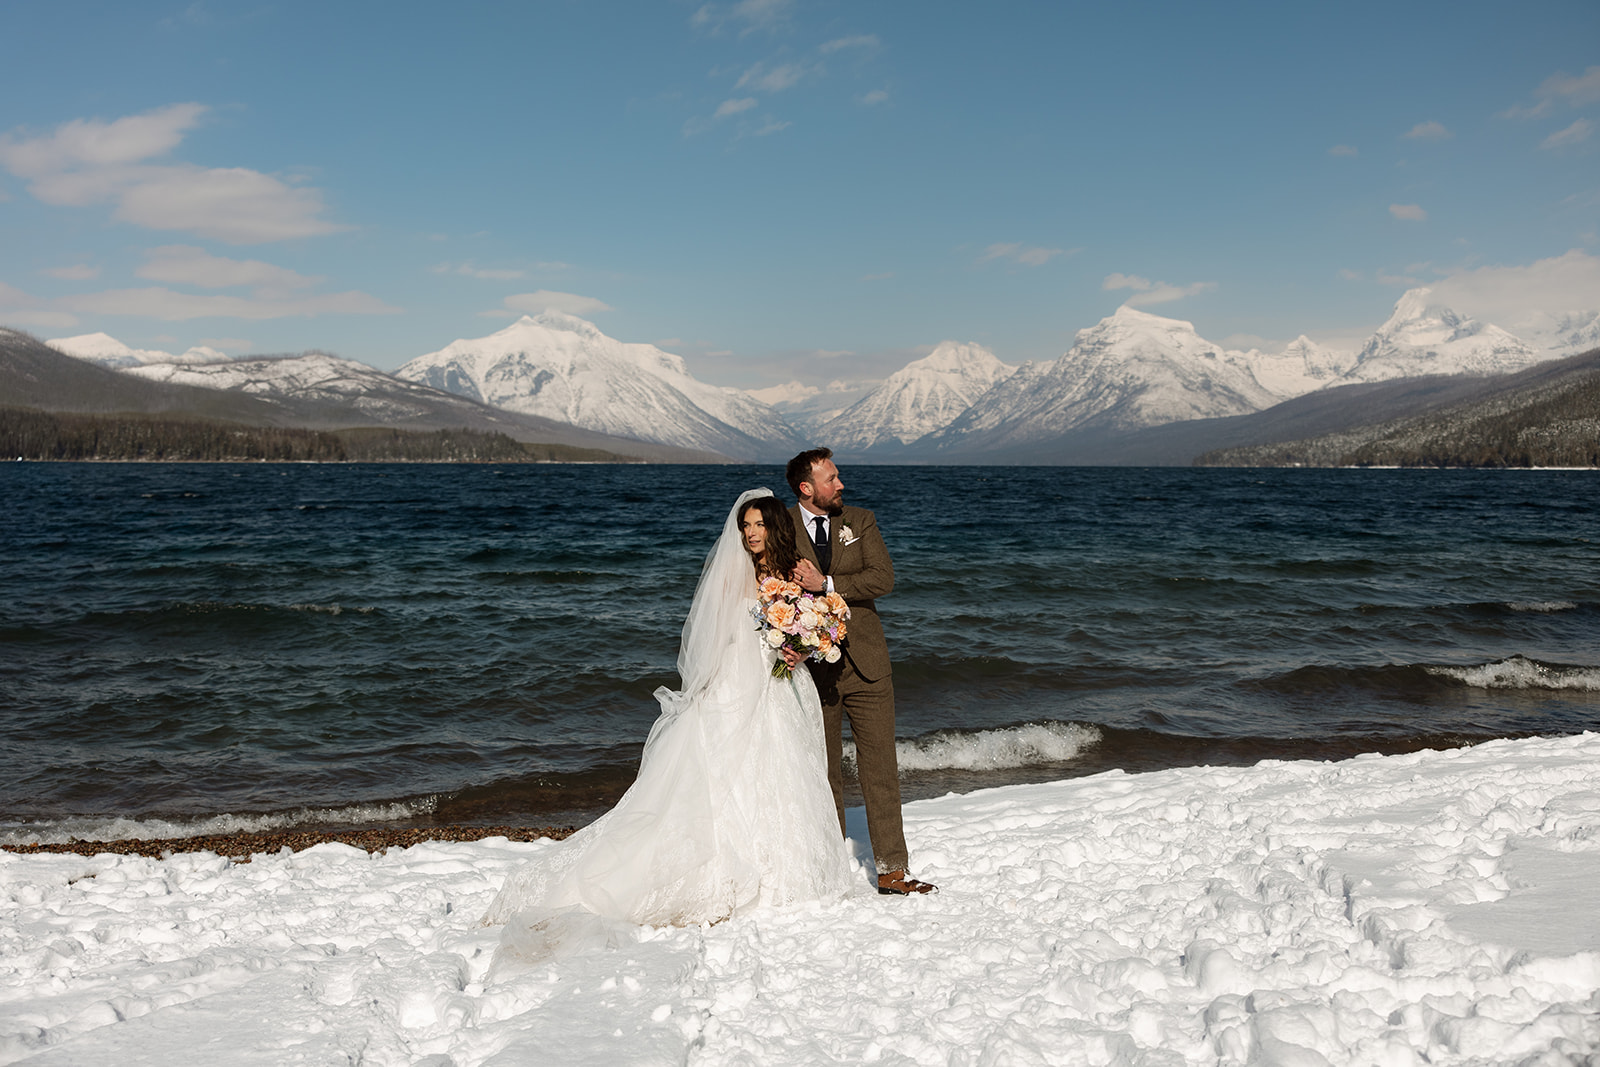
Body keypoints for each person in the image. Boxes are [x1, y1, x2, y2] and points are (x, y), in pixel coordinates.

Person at [482, 490, 853, 957]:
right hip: (738, 681)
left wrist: (803, 643)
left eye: (758, 525)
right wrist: (706, 688)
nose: (751, 534)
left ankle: (784, 871)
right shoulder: (734, 574)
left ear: (775, 526)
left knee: (782, 770)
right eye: (745, 526)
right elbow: (715, 634)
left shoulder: (795, 570)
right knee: (727, 774)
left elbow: (813, 620)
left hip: (781, 683)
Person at [786, 448, 936, 896]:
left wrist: (827, 585)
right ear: (806, 488)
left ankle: (893, 871)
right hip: (813, 669)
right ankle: (830, 869)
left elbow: (882, 578)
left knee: (880, 768)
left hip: (868, 664)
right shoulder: (781, 527)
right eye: (832, 478)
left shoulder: (861, 520)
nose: (841, 485)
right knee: (824, 771)